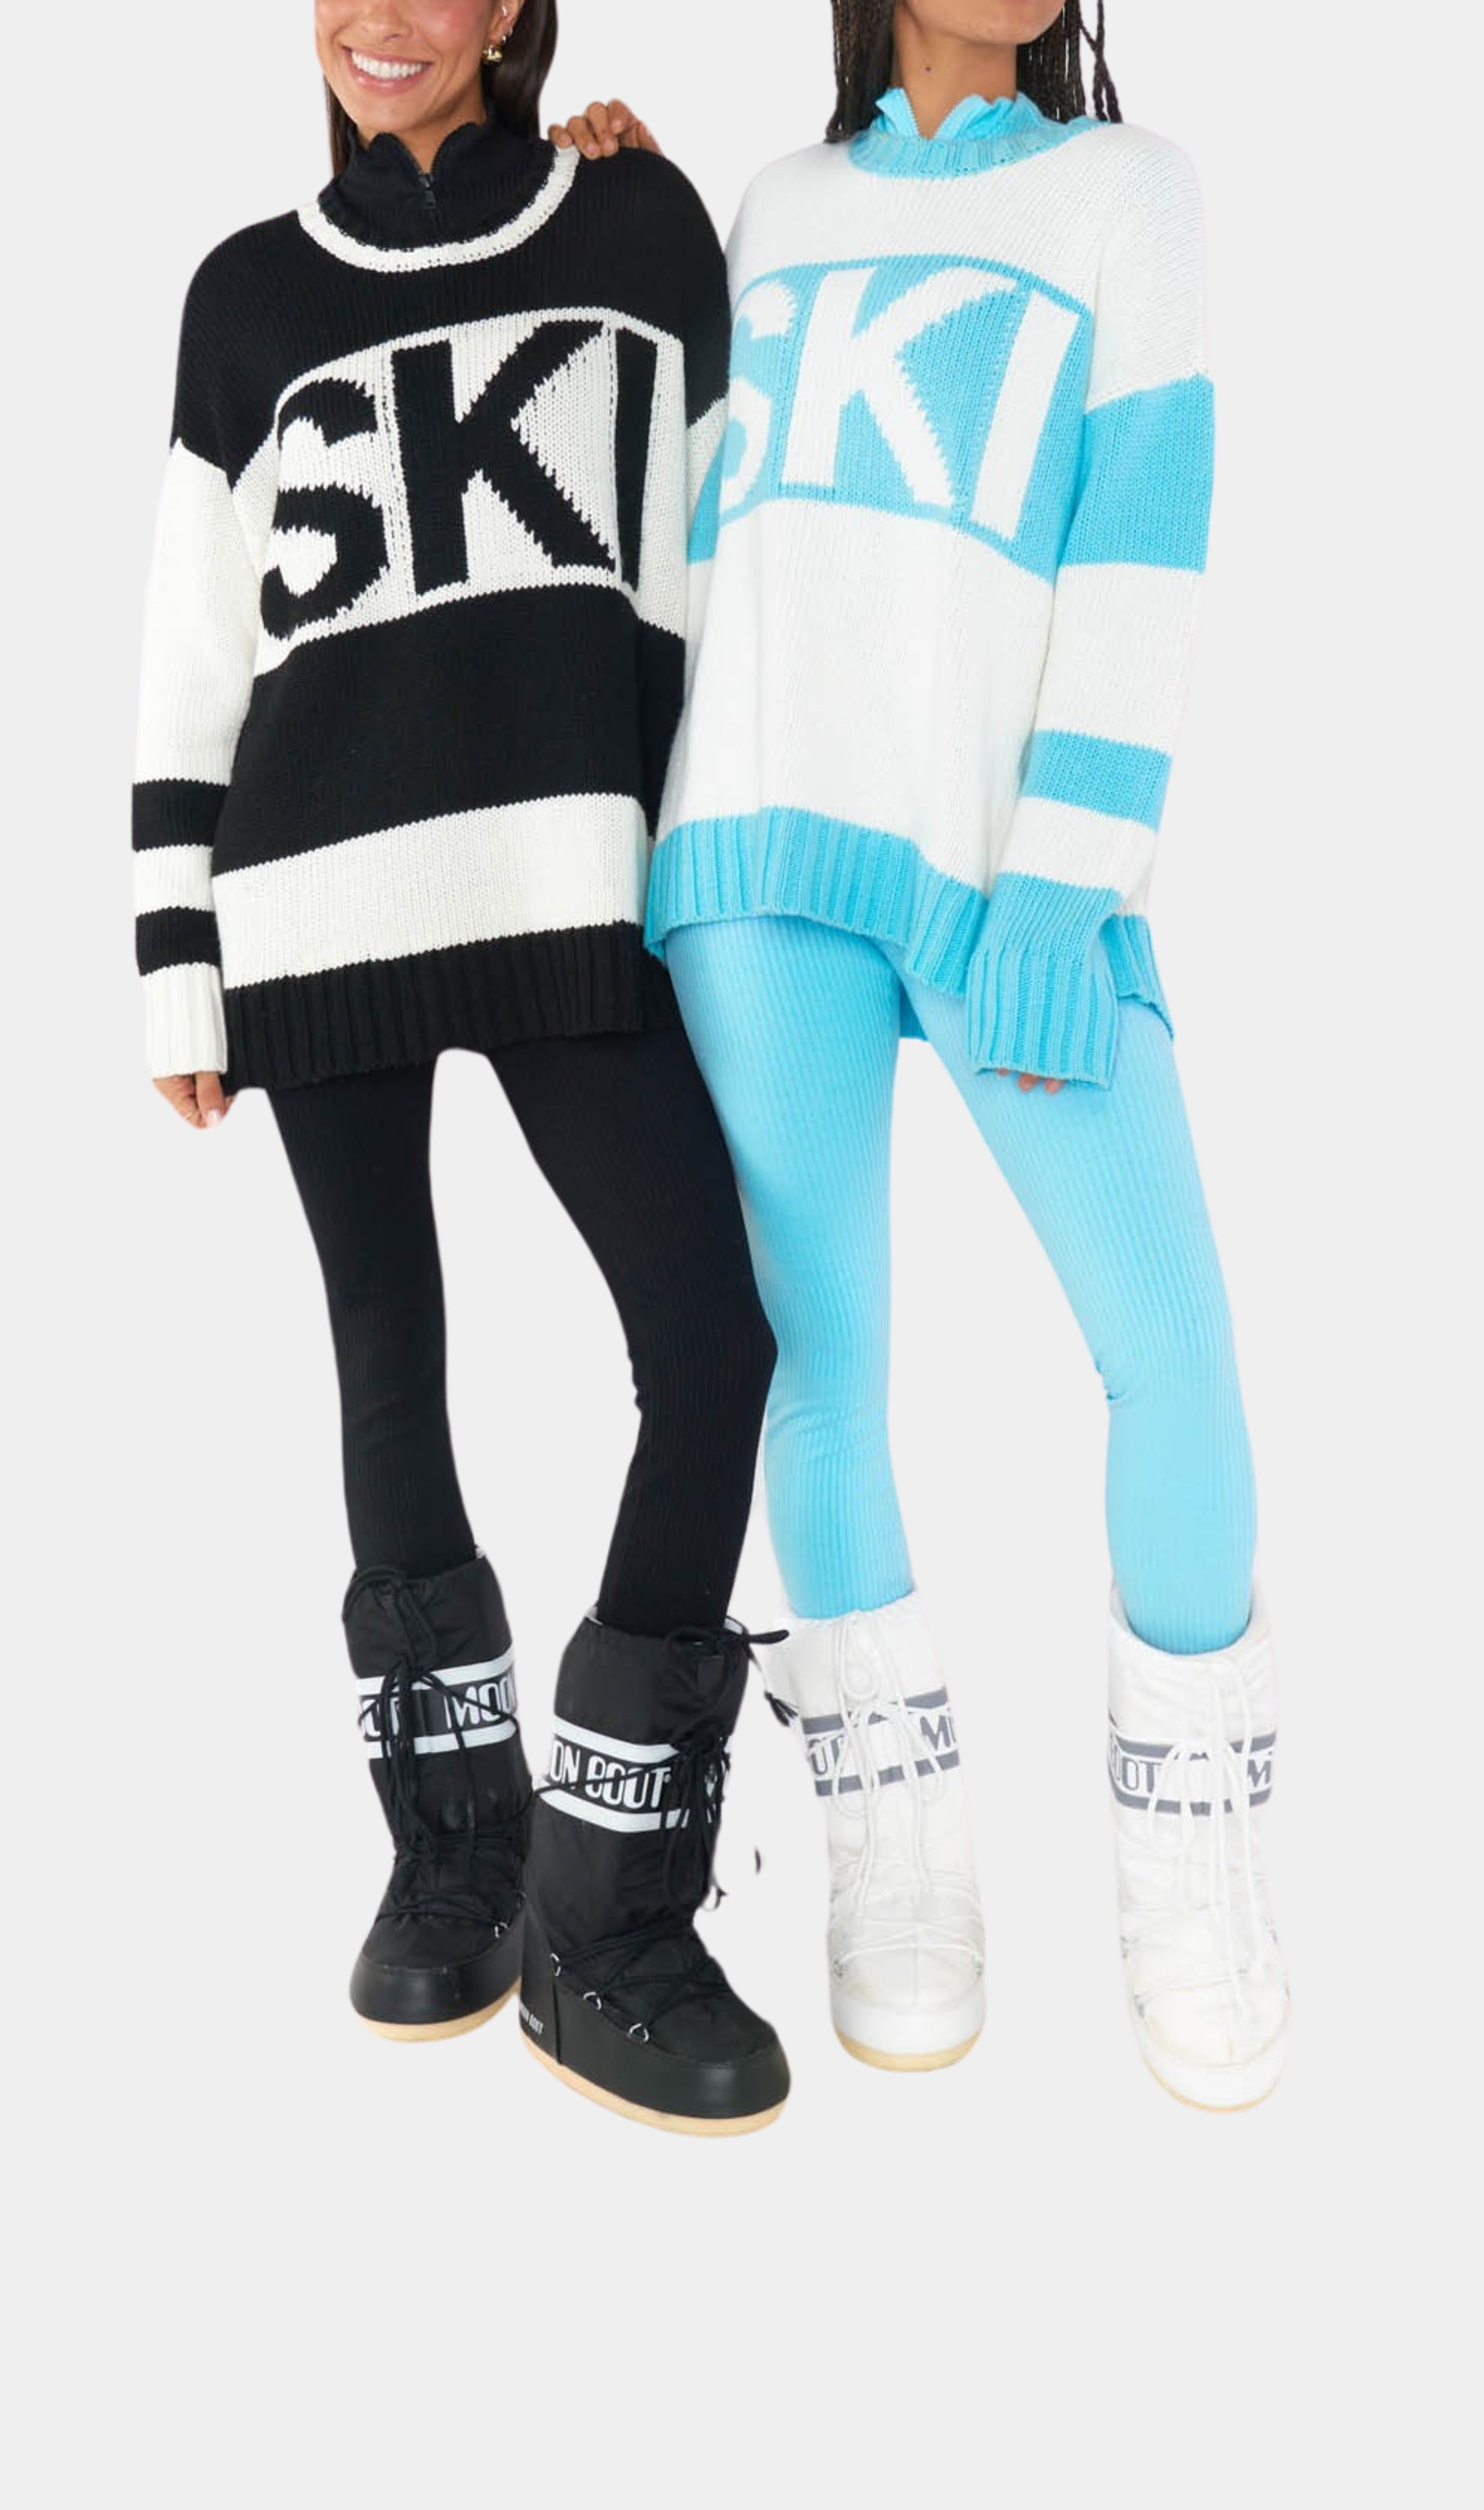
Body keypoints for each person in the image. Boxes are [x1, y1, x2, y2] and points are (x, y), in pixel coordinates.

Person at [554, 0, 1291, 2110]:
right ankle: (896, 1850)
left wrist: (1066, 878)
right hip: (756, 859)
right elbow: (696, 525)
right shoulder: (774, 207)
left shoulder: (1134, 194)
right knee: (822, 1367)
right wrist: (614, 200)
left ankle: (1196, 1865)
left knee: (1171, 1351)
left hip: (1006, 878)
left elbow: (1145, 551)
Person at [132, 0, 790, 2135]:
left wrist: (700, 865)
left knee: (714, 1344)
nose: (385, 19)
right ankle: (457, 1848)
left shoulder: (642, 225)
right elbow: (194, 644)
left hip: (572, 882)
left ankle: (607, 1906)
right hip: (310, 900)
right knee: (384, 1351)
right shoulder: (243, 296)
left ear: (514, 6)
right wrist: (176, 958)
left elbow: (712, 562)